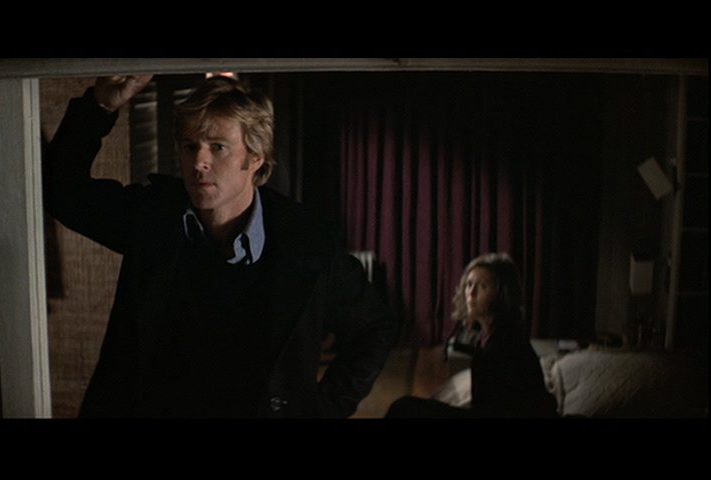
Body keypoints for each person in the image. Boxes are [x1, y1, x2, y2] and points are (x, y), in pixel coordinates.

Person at [42, 74, 398, 418]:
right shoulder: (153, 217)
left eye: (218, 147)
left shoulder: (308, 240)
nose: (199, 162)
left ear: (255, 157)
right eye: (190, 146)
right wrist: (100, 106)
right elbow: (63, 193)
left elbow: (372, 330)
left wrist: (320, 410)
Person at [385, 253, 557, 418]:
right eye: (469, 284)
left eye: (483, 286)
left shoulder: (505, 344)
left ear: (503, 294)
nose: (471, 293)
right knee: (405, 407)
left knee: (404, 408)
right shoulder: (489, 334)